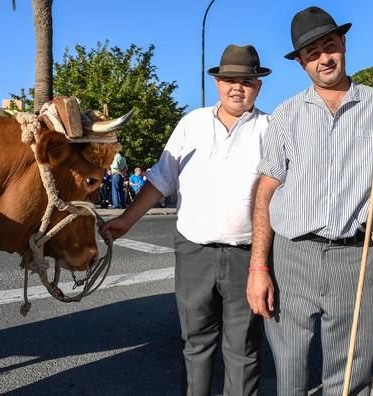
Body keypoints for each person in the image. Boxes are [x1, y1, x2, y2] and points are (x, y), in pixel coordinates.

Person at [246, 6, 373, 395]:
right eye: (311, 53)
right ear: (301, 63)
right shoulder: (286, 115)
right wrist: (258, 267)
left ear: (343, 44)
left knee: (348, 380)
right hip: (291, 256)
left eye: (329, 46)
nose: (323, 58)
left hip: (353, 259)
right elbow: (264, 194)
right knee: (290, 375)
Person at [101, 44, 271, 396]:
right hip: (194, 251)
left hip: (246, 255)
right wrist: (127, 220)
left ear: (259, 85)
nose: (237, 87)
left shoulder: (270, 129)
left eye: (246, 80)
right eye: (229, 79)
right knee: (195, 344)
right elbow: (162, 179)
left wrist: (263, 265)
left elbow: (278, 197)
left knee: (243, 350)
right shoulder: (191, 123)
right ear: (217, 83)